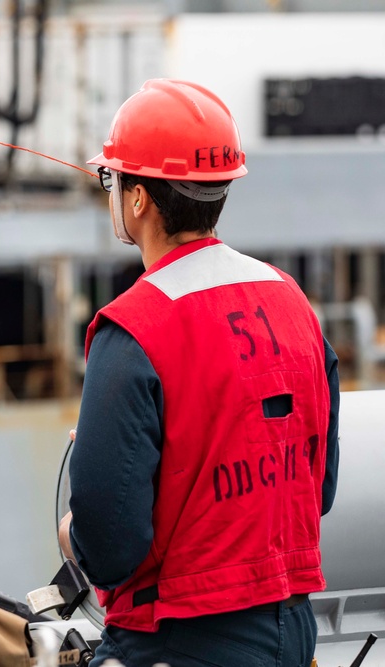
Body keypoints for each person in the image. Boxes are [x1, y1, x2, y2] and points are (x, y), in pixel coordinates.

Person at [57, 79, 340, 667]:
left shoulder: (132, 328)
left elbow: (109, 549)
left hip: (180, 641)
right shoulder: (292, 302)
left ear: (137, 199)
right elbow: (320, 487)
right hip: (294, 632)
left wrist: (76, 527)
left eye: (113, 179)